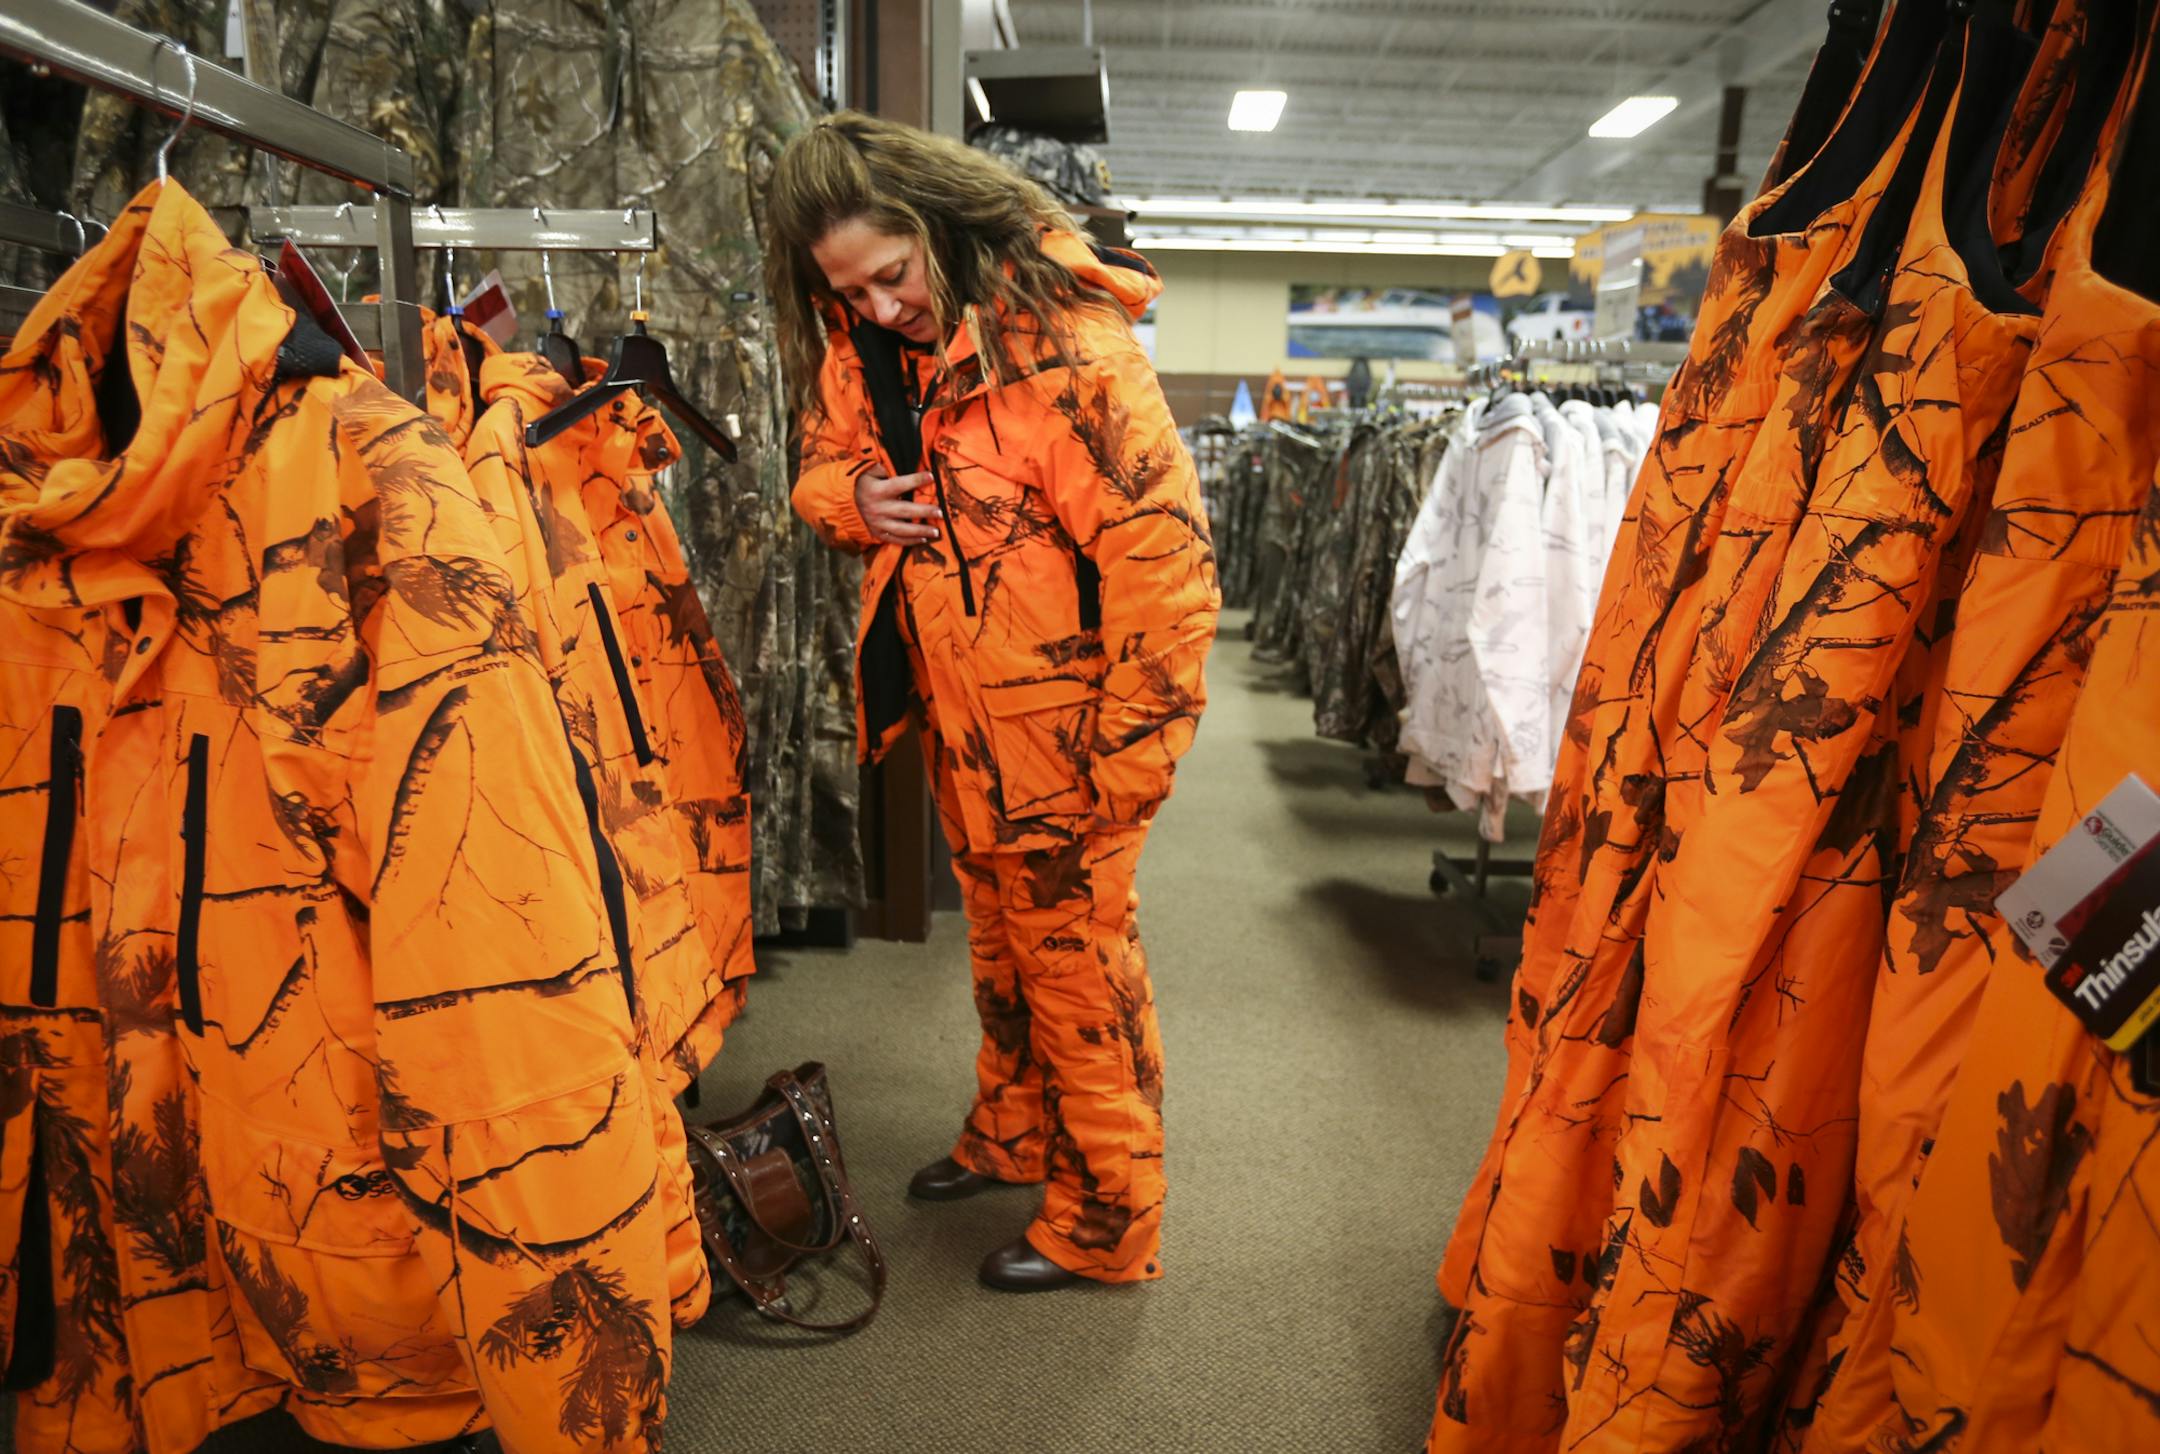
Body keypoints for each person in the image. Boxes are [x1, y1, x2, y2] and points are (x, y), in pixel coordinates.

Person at [768, 112, 1220, 1292]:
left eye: (890, 275)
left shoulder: (1067, 346)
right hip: (964, 718)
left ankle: (1109, 1217)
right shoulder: (866, 348)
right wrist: (856, 497)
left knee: (1079, 965)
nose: (875, 307)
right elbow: (815, 466)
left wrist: (1126, 765)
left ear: (938, 225)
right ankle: (1014, 1133)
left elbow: (1166, 571)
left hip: (1074, 734)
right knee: (1006, 951)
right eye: (847, 288)